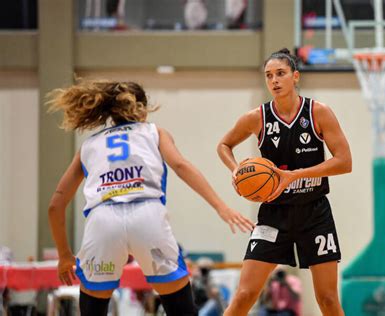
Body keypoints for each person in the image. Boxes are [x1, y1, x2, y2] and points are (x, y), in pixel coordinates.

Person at [46, 80, 255, 316]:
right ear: (142, 109)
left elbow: (55, 206)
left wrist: (64, 256)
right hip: (147, 216)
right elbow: (180, 165)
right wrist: (221, 207)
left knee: (93, 309)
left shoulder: (89, 145)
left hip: (102, 222)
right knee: (181, 309)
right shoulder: (154, 132)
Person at [217, 48, 352, 315]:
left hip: (314, 212)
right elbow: (224, 145)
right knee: (244, 295)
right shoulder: (257, 117)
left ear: (295, 76)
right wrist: (235, 171)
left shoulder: (318, 113)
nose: (274, 81)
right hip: (273, 214)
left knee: (327, 298)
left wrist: (294, 175)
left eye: (280, 73)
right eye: (269, 76)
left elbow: (344, 162)